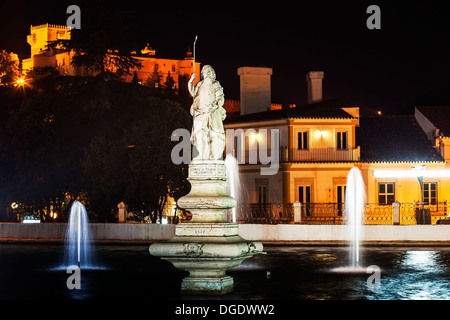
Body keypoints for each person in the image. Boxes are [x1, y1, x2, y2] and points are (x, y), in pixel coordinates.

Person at [188, 65, 226, 160]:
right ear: (202, 74)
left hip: (212, 112)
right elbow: (193, 92)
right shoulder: (200, 85)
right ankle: (201, 155)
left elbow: (220, 99)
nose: (207, 72)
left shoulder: (215, 84)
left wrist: (213, 107)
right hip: (200, 113)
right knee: (199, 134)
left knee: (213, 134)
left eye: (209, 70)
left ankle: (213, 154)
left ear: (212, 73)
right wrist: (191, 80)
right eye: (205, 71)